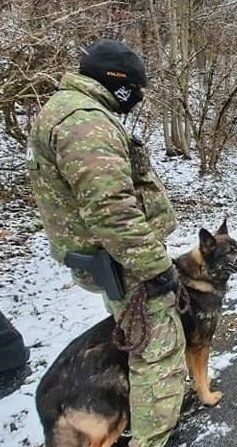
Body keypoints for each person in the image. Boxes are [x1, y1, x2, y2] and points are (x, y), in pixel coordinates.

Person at [26, 39, 185, 447]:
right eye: (136, 88)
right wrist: (155, 267)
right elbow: (111, 209)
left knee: (139, 345)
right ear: (119, 82)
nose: (138, 97)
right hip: (125, 263)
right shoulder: (85, 121)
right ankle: (154, 438)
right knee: (158, 357)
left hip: (111, 260)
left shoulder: (69, 111)